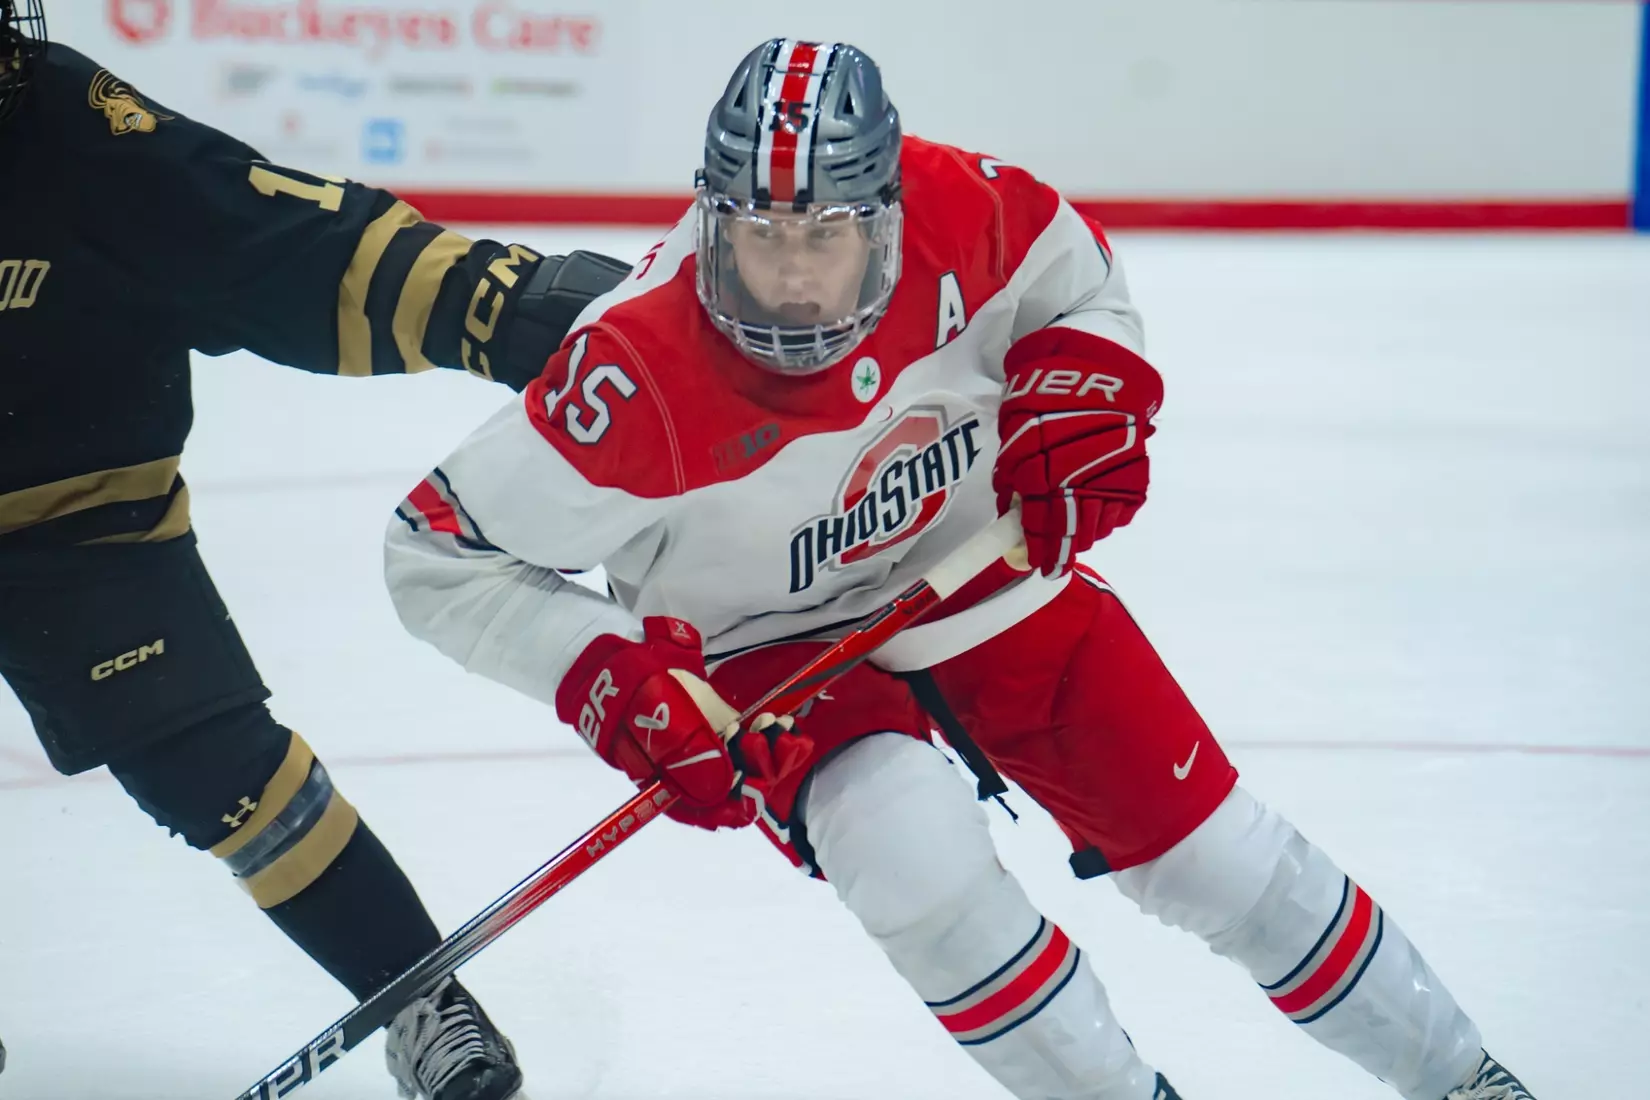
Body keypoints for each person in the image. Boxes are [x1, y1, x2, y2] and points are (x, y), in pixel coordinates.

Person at [383, 37, 1537, 1100]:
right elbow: (433, 551)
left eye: (824, 234)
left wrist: (1086, 388)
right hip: (771, 653)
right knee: (923, 875)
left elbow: (1081, 292)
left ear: (884, 213)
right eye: (760, 235)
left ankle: (1466, 1079)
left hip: (980, 566)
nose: (790, 276)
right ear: (709, 215)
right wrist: (608, 675)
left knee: (1219, 857)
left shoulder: (973, 208)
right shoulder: (634, 366)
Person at [0, 4, 630, 1096]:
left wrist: (504, 305)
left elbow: (276, 242)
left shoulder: (70, 129)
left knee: (229, 771)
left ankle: (419, 994)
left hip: (83, 520)